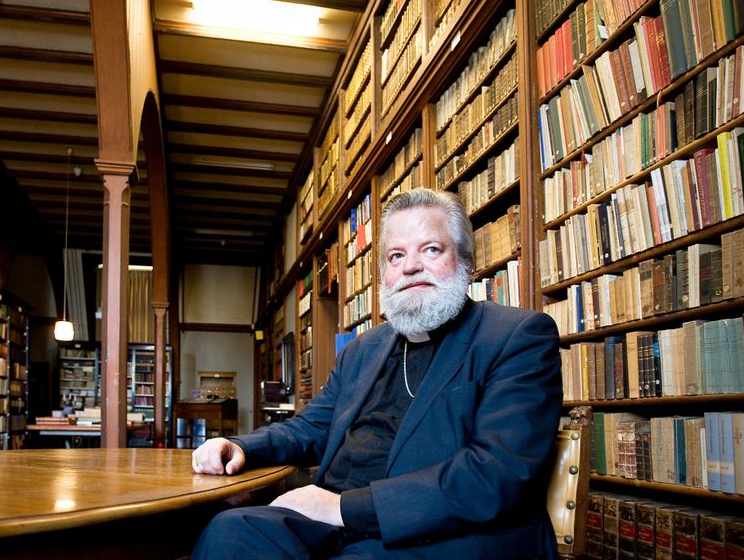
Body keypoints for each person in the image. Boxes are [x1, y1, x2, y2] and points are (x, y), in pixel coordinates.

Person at [189, 188, 563, 559]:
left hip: (441, 532)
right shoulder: (362, 350)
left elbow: (496, 473)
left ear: (465, 260)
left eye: (430, 249)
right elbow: (310, 428)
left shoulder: (517, 336)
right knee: (231, 532)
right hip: (336, 523)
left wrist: (341, 509)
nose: (410, 266)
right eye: (396, 255)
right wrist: (240, 446)